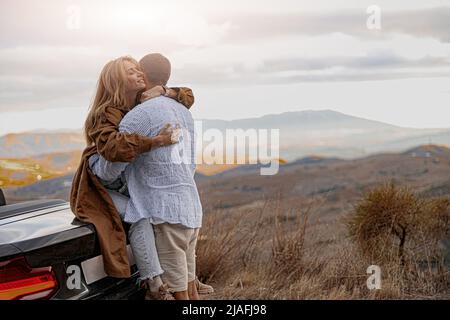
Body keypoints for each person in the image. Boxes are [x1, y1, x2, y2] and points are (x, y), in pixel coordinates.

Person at [70, 56, 194, 281]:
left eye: (139, 70)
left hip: (123, 182)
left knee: (147, 216)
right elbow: (114, 148)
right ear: (117, 80)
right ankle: (155, 284)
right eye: (132, 72)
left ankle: (177, 281)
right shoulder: (105, 112)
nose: (139, 74)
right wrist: (155, 141)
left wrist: (163, 92)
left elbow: (188, 95)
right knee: (140, 216)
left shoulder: (139, 103)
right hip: (100, 186)